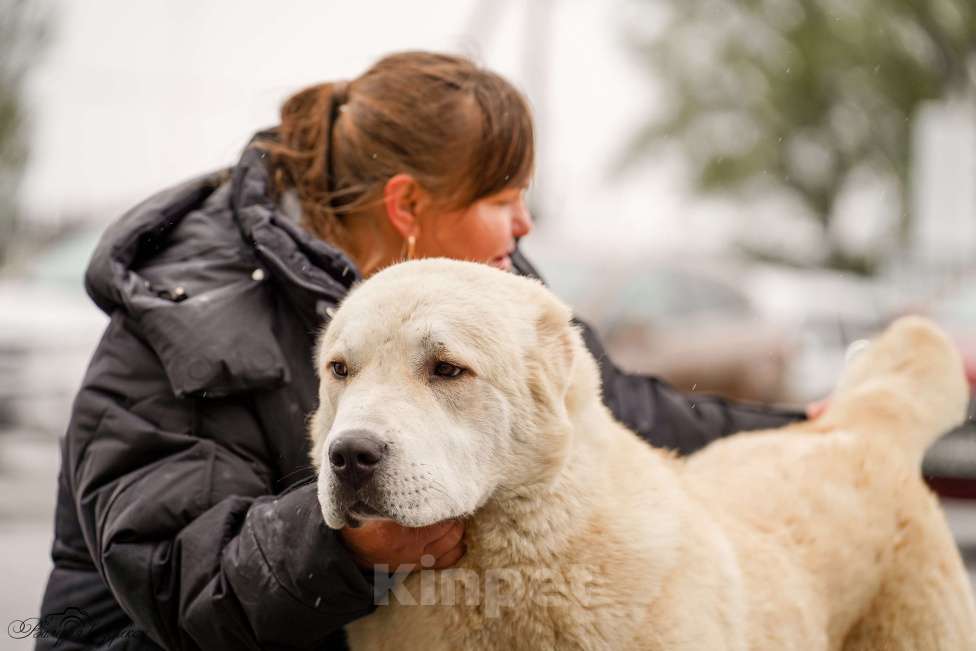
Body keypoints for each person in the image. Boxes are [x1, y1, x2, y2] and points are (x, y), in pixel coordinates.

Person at [37, 51, 803, 650]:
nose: (525, 226)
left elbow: (610, 407)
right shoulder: (189, 318)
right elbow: (175, 576)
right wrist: (349, 547)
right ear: (408, 205)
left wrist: (801, 430)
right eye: (502, 200)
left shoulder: (486, 290)